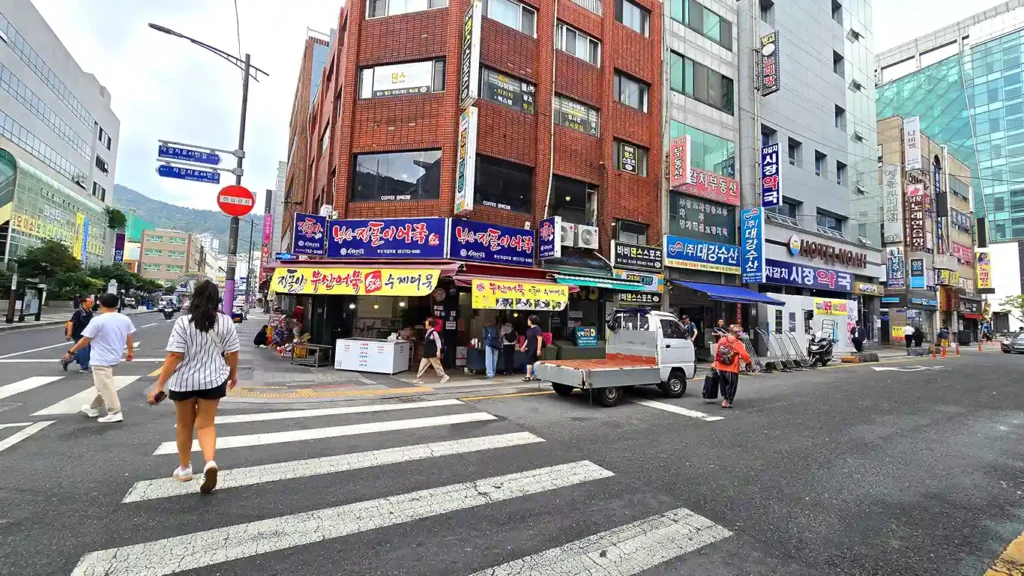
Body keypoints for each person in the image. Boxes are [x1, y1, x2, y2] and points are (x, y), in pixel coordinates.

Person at [148, 280, 240, 493]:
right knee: (206, 424)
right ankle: (210, 463)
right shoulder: (226, 322)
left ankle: (184, 469)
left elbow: (174, 355)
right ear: (216, 299)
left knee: (184, 425)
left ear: (194, 298)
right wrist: (233, 374)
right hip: (213, 380)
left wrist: (160, 384)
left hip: (184, 382)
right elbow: (233, 353)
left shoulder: (183, 322)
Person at [62, 293, 135, 423]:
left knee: (104, 386)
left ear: (100, 304)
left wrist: (71, 351)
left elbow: (86, 339)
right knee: (105, 385)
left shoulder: (98, 320)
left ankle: (115, 412)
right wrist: (130, 352)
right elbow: (129, 336)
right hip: (114, 357)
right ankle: (93, 408)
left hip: (101, 359)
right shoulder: (125, 319)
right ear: (117, 304)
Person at [712, 324, 752, 409]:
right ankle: (726, 401)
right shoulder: (737, 342)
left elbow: (717, 351)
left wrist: (715, 362)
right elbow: (745, 355)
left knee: (724, 383)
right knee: (732, 384)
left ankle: (725, 398)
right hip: (732, 367)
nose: (741, 334)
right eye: (740, 333)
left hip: (721, 366)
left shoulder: (722, 339)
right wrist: (749, 363)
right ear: (737, 333)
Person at [62, 296, 94, 372]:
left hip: (87, 335)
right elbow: (71, 323)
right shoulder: (78, 312)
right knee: (84, 350)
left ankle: (67, 359)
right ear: (84, 303)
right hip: (78, 334)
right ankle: (84, 367)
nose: (92, 304)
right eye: (90, 302)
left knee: (88, 351)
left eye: (93, 302)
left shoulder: (90, 312)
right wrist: (69, 334)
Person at [413, 318, 449, 385]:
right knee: (422, 365)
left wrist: (438, 351)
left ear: (430, 325)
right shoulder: (427, 332)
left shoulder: (434, 333)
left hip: (432, 353)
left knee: (437, 365)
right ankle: (419, 378)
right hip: (427, 353)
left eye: (427, 324)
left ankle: (444, 376)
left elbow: (438, 343)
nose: (425, 325)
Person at [521, 315, 543, 382]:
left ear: (532, 321)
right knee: (532, 362)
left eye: (528, 320)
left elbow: (539, 339)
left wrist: (538, 349)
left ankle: (528, 376)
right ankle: (535, 376)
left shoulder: (537, 329)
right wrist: (523, 346)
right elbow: (527, 339)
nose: (527, 322)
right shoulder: (529, 329)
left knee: (530, 361)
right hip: (529, 347)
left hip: (534, 348)